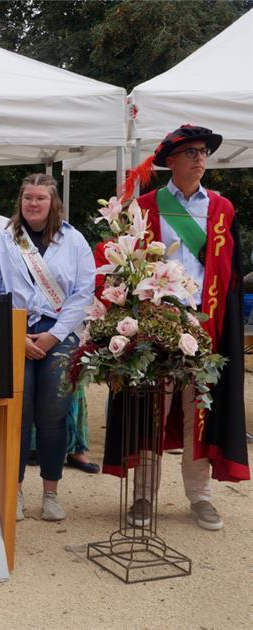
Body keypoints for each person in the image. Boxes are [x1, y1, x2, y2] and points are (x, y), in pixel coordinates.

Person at [107, 124, 249, 530]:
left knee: (199, 410)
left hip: (207, 323)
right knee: (152, 409)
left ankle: (200, 497)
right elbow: (128, 266)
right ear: (171, 161)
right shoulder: (145, 206)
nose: (200, 158)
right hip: (158, 321)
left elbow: (231, 276)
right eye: (191, 152)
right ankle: (143, 497)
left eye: (203, 152)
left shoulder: (222, 209)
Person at [0, 173, 94, 522]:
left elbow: (83, 293)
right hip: (15, 331)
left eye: (40, 198)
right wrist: (17, 335)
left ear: (53, 202)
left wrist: (54, 335)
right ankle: (13, 491)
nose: (33, 203)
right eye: (28, 197)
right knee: (18, 413)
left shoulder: (74, 241)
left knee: (53, 414)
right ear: (20, 201)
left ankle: (51, 494)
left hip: (59, 333)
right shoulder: (3, 240)